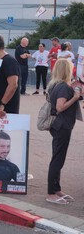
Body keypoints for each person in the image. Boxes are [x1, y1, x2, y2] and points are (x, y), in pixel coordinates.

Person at [46, 59, 81, 205]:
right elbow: (60, 107)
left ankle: (56, 189)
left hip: (60, 125)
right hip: (62, 126)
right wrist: (75, 97)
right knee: (57, 159)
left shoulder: (57, 85)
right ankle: (51, 193)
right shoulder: (62, 87)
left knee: (58, 157)